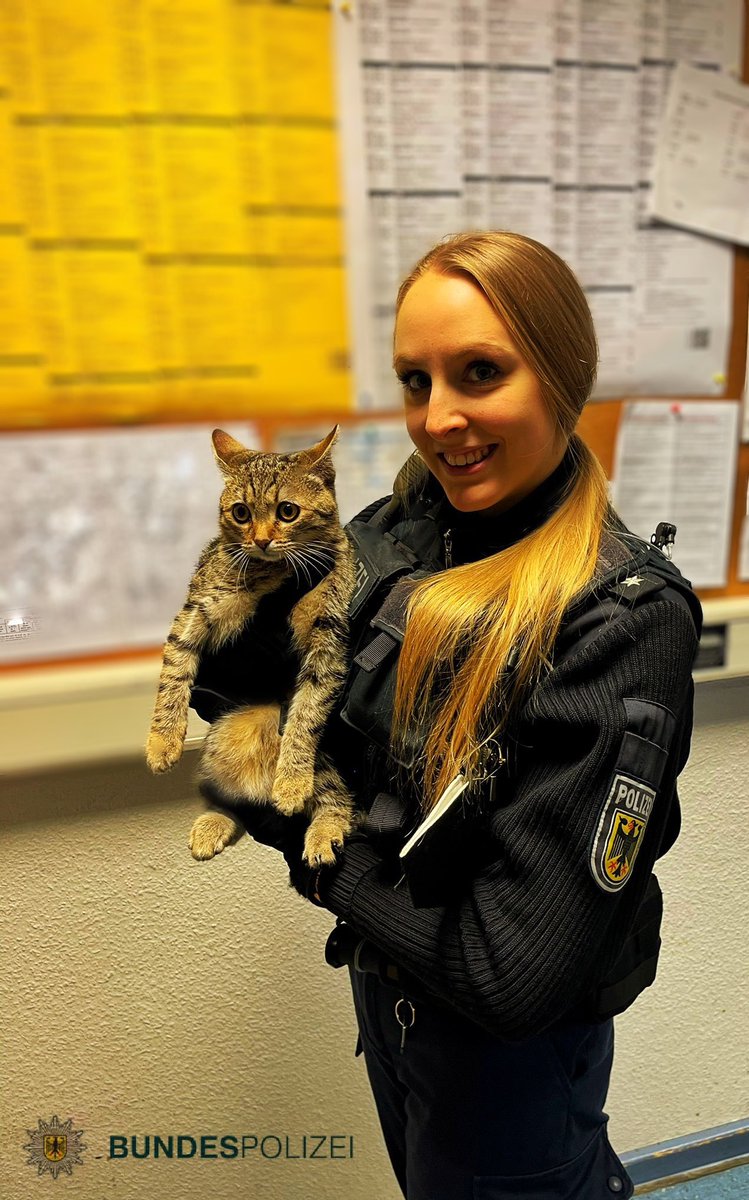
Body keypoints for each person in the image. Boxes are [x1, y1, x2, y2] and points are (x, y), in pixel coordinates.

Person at [192, 231, 702, 1200]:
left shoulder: (618, 623)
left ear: (560, 373)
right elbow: (232, 674)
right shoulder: (409, 524)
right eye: (415, 382)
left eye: (478, 372)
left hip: (503, 1062)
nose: (440, 420)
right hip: (390, 994)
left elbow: (505, 971)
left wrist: (303, 827)